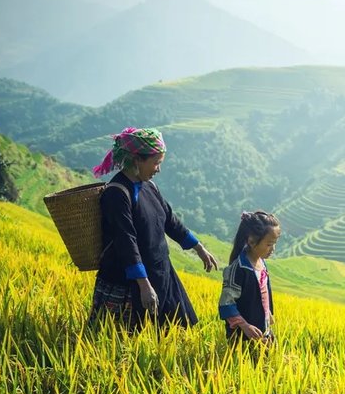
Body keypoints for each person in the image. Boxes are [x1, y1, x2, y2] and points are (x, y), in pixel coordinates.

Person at [88, 127, 217, 332]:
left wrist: (199, 248)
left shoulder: (149, 186)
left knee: (175, 333)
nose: (158, 169)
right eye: (156, 163)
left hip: (160, 273)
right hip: (130, 281)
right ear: (137, 160)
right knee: (126, 337)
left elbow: (170, 221)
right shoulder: (117, 193)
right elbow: (125, 241)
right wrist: (144, 285)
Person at [218, 211, 281, 344]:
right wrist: (245, 326)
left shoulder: (262, 264)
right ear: (252, 241)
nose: (273, 249)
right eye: (269, 244)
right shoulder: (238, 269)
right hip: (243, 339)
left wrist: (268, 313)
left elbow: (262, 294)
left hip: (263, 333)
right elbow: (226, 304)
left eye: (275, 243)